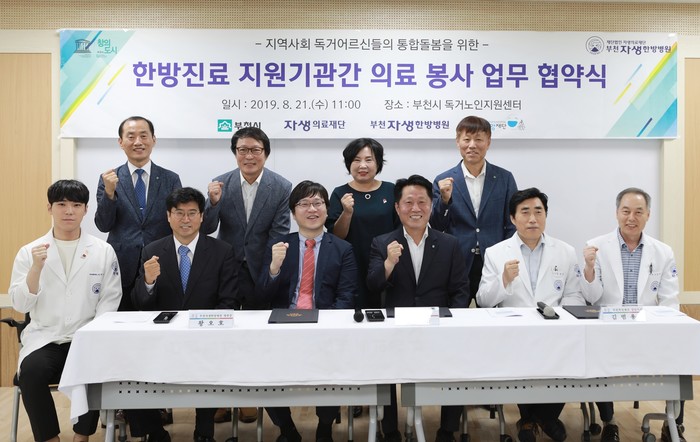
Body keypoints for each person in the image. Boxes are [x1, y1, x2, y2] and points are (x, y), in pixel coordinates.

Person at [9, 180, 122, 442]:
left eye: (76, 205)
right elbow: (20, 305)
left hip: (86, 337)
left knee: (93, 367)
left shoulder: (103, 251)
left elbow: (110, 299)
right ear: (49, 208)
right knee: (31, 372)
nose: (69, 211)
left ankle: (82, 436)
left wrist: (91, 337)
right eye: (61, 204)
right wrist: (36, 268)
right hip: (45, 338)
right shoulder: (29, 252)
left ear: (85, 209)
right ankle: (50, 438)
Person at [129, 187, 238, 442]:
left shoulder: (222, 251)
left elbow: (228, 301)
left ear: (202, 216)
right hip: (163, 339)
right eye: (179, 213)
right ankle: (156, 432)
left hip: (207, 337)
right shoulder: (152, 251)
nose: (185, 219)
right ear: (168, 216)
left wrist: (206, 331)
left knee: (210, 362)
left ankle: (204, 433)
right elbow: (140, 304)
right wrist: (148, 282)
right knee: (131, 367)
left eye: (192, 213)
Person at [476, 187, 584, 442]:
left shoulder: (565, 251)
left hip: (556, 332)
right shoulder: (496, 252)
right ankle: (540, 419)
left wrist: (562, 320)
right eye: (525, 212)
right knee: (521, 358)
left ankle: (538, 419)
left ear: (546, 215)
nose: (533, 219)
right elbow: (483, 300)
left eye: (538, 212)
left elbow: (575, 296)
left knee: (567, 354)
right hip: (515, 334)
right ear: (513, 218)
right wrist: (503, 280)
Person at [367, 174, 469, 442]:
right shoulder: (382, 243)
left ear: (431, 205)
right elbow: (373, 285)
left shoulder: (449, 244)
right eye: (408, 202)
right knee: (382, 368)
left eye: (422, 202)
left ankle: (447, 431)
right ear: (397, 207)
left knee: (458, 364)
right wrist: (389, 263)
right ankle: (390, 431)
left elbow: (461, 290)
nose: (415, 208)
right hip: (394, 329)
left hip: (438, 327)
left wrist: (452, 323)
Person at [202, 126, 291, 424]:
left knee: (255, 338)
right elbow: (206, 229)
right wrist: (213, 203)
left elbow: (279, 232)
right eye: (243, 150)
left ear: (265, 153)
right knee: (221, 336)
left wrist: (269, 272)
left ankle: (250, 398)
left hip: (259, 270)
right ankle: (222, 398)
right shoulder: (220, 183)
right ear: (235, 153)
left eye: (255, 150)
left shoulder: (281, 186)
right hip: (226, 269)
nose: (249, 156)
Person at [258, 181, 357, 442]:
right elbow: (262, 296)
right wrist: (274, 268)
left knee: (333, 369)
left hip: (325, 328)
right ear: (293, 212)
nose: (311, 209)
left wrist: (326, 326)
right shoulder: (279, 245)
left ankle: (324, 426)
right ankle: (287, 429)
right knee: (262, 369)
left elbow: (347, 296)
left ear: (327, 209)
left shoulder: (343, 249)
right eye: (304, 204)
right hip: (283, 328)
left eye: (317, 203)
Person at [581, 188, 682, 442]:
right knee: (596, 352)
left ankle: (673, 423)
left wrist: (668, 331)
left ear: (648, 215)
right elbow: (591, 297)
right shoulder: (596, 246)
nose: (631, 218)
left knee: (683, 352)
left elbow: (670, 301)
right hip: (609, 329)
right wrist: (589, 268)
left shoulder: (663, 252)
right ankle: (610, 422)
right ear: (617, 213)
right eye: (626, 211)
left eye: (638, 212)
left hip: (647, 329)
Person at [95, 115, 182, 312]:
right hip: (121, 265)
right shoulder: (109, 179)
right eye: (131, 136)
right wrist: (109, 193)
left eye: (143, 136)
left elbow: (178, 222)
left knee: (161, 320)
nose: (138, 142)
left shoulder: (170, 179)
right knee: (122, 322)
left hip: (161, 261)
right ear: (121, 142)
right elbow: (103, 225)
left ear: (153, 140)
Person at [431, 115, 517, 304]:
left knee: (493, 313)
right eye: (467, 139)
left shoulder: (504, 178)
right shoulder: (443, 180)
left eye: (478, 139)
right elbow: (436, 226)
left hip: (494, 260)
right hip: (457, 260)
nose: (472, 145)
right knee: (455, 313)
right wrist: (444, 201)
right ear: (457, 141)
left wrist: (506, 254)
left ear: (488, 142)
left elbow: (512, 223)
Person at [326, 137, 399, 310]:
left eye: (368, 160)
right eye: (356, 160)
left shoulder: (391, 190)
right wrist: (347, 212)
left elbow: (400, 229)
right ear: (349, 164)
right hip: (352, 264)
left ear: (378, 163)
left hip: (387, 262)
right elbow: (336, 236)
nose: (362, 165)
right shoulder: (340, 193)